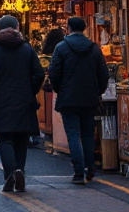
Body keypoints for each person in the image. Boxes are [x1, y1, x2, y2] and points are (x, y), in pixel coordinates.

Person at [0, 16, 45, 192]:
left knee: (5, 138)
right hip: (24, 100)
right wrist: (30, 90)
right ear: (17, 27)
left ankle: (11, 172)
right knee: (21, 139)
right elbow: (39, 73)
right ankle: (19, 171)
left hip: (1, 100)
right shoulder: (26, 48)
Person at [48, 16, 110, 184]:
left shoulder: (61, 48)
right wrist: (98, 92)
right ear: (84, 28)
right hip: (89, 98)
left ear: (68, 28)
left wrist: (61, 90)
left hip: (68, 98)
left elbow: (54, 73)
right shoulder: (94, 48)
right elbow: (104, 74)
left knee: (73, 134)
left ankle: (78, 172)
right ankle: (90, 168)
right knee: (88, 134)